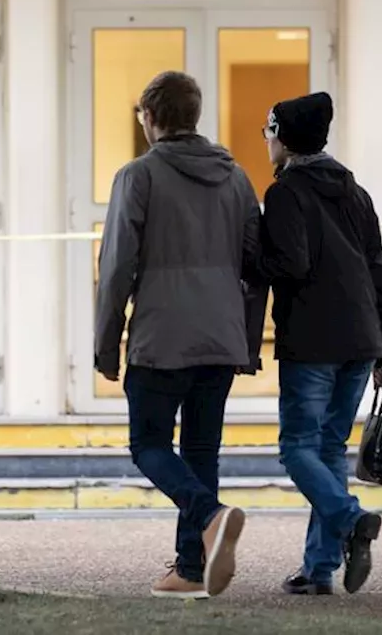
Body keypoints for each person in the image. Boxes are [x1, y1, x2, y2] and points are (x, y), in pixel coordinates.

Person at [94, 71, 265, 600]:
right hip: (220, 335)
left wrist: (106, 341)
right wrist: (249, 341)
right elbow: (257, 267)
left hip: (162, 336)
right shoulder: (236, 179)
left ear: (150, 116)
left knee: (147, 444)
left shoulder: (138, 176)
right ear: (195, 114)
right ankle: (191, 569)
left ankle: (209, 516)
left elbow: (118, 264)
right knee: (200, 451)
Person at [258, 91, 382, 597]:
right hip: (361, 338)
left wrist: (248, 263)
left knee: (297, 449)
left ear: (285, 138)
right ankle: (318, 571)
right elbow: (378, 269)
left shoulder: (285, 192)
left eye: (268, 131)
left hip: (313, 340)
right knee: (328, 448)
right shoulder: (355, 192)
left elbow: (290, 265)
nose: (266, 141)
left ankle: (351, 519)